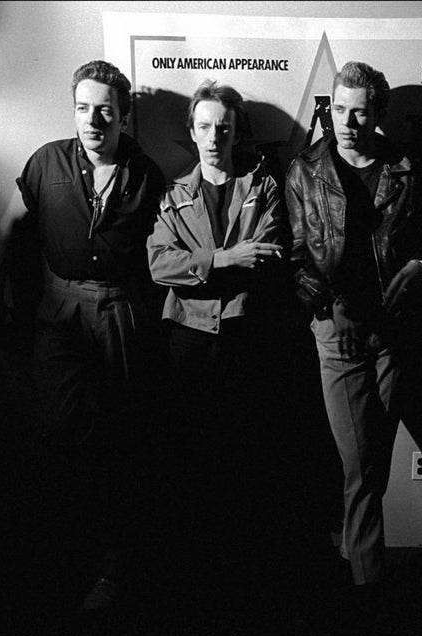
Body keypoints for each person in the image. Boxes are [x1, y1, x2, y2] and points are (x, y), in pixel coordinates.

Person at [0, 60, 167, 611]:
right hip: (59, 310)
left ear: (124, 116)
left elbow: (161, 251)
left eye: (105, 110)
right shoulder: (46, 162)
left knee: (122, 439)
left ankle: (112, 572)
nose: (92, 120)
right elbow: (11, 226)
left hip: (121, 310)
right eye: (83, 108)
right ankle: (64, 552)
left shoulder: (146, 174)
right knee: (60, 426)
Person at [286, 61, 422, 597]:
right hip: (337, 333)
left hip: (394, 333)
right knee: (359, 463)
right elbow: (295, 257)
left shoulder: (406, 169)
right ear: (329, 107)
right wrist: (330, 304)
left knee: (374, 462)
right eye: (341, 109)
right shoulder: (305, 170)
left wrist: (418, 270)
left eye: (362, 111)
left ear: (379, 114)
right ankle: (369, 590)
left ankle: (354, 564)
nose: (349, 121)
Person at [147, 80, 289, 569]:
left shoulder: (263, 187)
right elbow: (158, 266)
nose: (213, 138)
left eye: (222, 129)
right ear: (192, 131)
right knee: (191, 448)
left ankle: (240, 558)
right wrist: (225, 258)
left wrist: (198, 265)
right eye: (204, 127)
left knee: (246, 449)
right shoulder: (173, 194)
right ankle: (193, 556)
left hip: (244, 333)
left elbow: (267, 256)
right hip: (188, 336)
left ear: (236, 134)